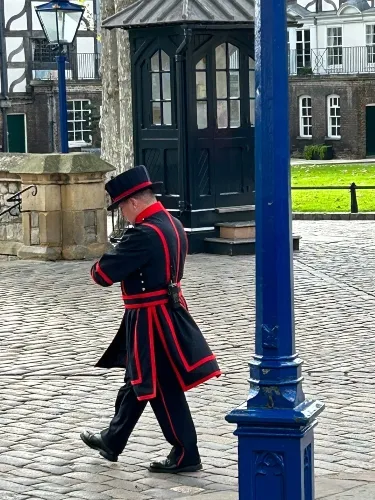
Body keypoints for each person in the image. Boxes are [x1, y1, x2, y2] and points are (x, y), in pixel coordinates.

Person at [80, 165, 221, 473]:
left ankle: (186, 452)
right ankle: (112, 439)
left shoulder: (142, 235)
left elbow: (101, 274)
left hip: (149, 320)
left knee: (158, 385)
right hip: (168, 312)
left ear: (132, 202)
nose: (122, 215)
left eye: (120, 208)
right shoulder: (173, 224)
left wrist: (112, 251)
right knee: (139, 380)